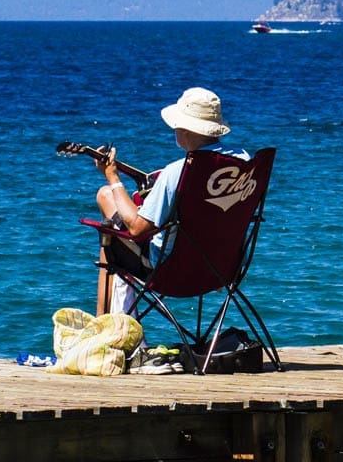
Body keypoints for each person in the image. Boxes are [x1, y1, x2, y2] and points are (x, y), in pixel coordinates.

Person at [91, 87, 250, 316]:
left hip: (173, 273)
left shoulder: (179, 172)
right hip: (224, 269)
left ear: (185, 129)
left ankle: (108, 329)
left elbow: (137, 229)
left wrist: (113, 176)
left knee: (110, 235)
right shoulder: (245, 161)